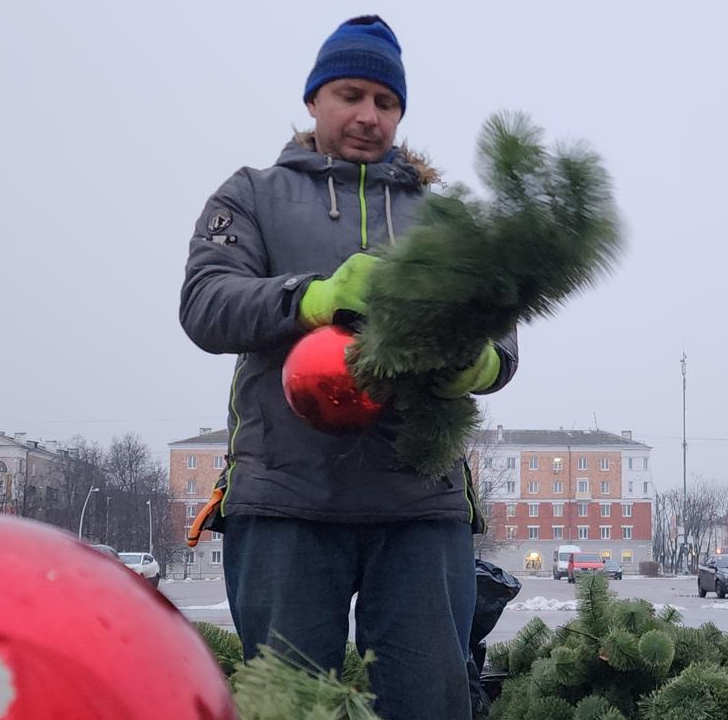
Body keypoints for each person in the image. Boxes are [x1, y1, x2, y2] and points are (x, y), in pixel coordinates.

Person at [179, 15, 518, 720]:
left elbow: (504, 344)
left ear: (400, 112)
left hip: (420, 507)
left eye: (385, 102)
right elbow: (205, 304)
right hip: (285, 502)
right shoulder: (252, 195)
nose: (368, 115)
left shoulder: (444, 218)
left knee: (432, 703)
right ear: (314, 100)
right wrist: (311, 297)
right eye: (350, 95)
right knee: (290, 709)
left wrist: (476, 365)